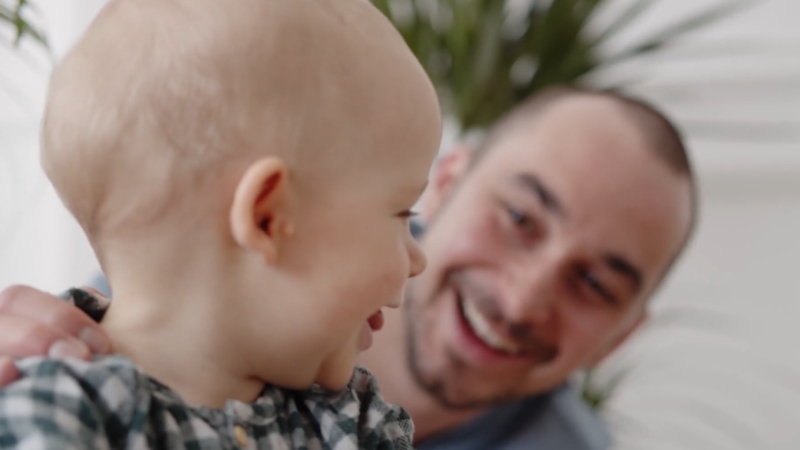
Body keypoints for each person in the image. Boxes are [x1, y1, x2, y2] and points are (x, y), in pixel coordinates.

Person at [0, 85, 696, 450]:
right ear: (446, 180)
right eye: (518, 218)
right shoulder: (183, 295)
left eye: (596, 285)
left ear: (621, 338)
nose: (520, 299)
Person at [0, 0, 442, 448]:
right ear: (268, 218)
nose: (417, 259)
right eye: (403, 213)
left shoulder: (356, 421)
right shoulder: (54, 413)